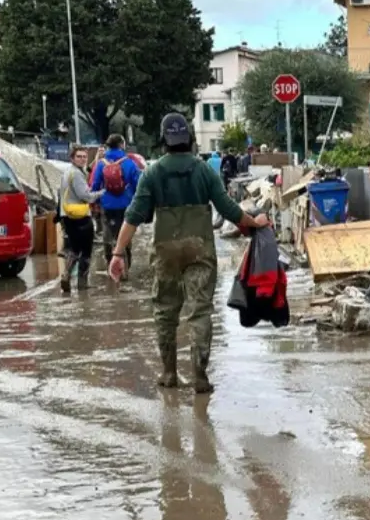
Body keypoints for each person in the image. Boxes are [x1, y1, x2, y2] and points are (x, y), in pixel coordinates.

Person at [108, 113, 269, 394]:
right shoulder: (204, 169)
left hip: (166, 252)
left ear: (163, 140)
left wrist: (118, 254)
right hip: (199, 249)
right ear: (190, 138)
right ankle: (200, 377)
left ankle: (169, 373)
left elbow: (132, 217)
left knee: (165, 311)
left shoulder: (153, 173)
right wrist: (254, 223)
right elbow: (228, 209)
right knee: (200, 311)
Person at [90, 134, 142, 273]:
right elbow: (138, 185)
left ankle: (110, 262)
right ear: (121, 145)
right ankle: (126, 263)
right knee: (125, 231)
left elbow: (95, 185)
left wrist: (94, 202)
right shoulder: (130, 163)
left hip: (107, 204)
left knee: (107, 231)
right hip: (126, 203)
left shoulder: (101, 164)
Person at [59, 146, 105, 293]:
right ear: (72, 158)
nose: (82, 159)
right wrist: (102, 193)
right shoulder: (77, 174)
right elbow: (86, 196)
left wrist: (96, 158)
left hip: (67, 215)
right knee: (86, 251)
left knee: (74, 248)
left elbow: (87, 171)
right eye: (79, 156)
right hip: (80, 217)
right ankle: (82, 283)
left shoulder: (68, 171)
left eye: (84, 156)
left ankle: (66, 275)